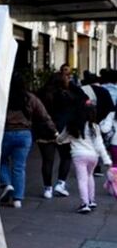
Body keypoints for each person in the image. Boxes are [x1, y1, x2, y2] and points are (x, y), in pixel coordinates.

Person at [0, 74, 56, 207]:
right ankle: (17, 199)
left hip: (6, 133)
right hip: (25, 134)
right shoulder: (30, 98)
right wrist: (54, 130)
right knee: (19, 166)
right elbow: (44, 115)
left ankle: (7, 184)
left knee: (1, 160)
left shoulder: (4, 96)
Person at [57, 98, 112, 214]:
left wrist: (60, 139)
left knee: (82, 180)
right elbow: (99, 144)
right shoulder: (94, 127)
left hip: (79, 156)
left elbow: (60, 139)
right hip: (93, 157)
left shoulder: (71, 126)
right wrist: (106, 159)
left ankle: (84, 204)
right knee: (89, 176)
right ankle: (92, 201)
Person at [39, 66, 78, 198]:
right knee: (66, 157)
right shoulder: (67, 95)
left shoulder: (41, 94)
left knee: (47, 161)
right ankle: (60, 184)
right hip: (63, 131)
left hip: (45, 131)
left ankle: (47, 189)